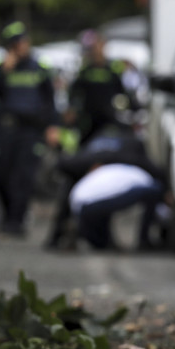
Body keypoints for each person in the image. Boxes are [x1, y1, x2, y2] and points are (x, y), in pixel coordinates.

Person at [44, 30, 128, 249]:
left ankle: (103, 238)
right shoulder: (84, 73)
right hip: (86, 136)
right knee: (73, 182)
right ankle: (58, 235)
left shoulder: (113, 71)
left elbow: (125, 100)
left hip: (107, 136)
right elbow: (72, 104)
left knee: (106, 186)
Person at [0, 21, 59, 235]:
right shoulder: (3, 68)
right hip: (8, 129)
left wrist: (53, 126)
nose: (21, 46)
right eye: (16, 43)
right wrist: (3, 72)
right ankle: (7, 216)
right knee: (2, 173)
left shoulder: (39, 67)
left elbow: (50, 100)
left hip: (31, 130)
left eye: (23, 41)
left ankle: (16, 221)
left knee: (24, 176)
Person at [62, 128, 169, 250]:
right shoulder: (139, 173)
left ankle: (85, 234)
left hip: (78, 203)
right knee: (155, 190)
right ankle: (144, 241)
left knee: (100, 242)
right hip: (93, 202)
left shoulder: (98, 163)